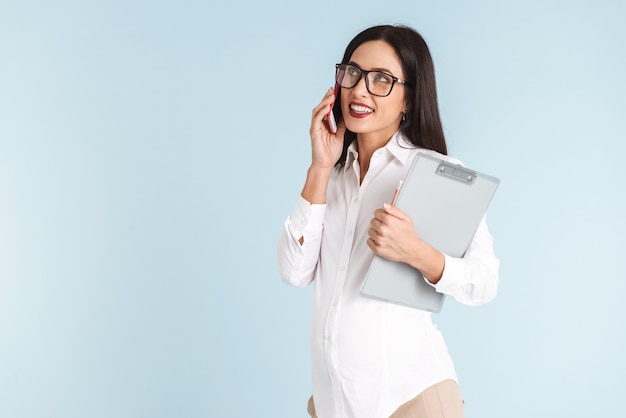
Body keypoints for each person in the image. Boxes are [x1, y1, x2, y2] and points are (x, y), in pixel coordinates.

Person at [275, 24, 499, 418]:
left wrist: (418, 253)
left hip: (411, 402)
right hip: (333, 404)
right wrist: (320, 167)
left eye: (382, 80)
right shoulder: (334, 174)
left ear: (409, 99)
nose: (360, 90)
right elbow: (294, 271)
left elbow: (485, 282)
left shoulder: (437, 174)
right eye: (353, 73)